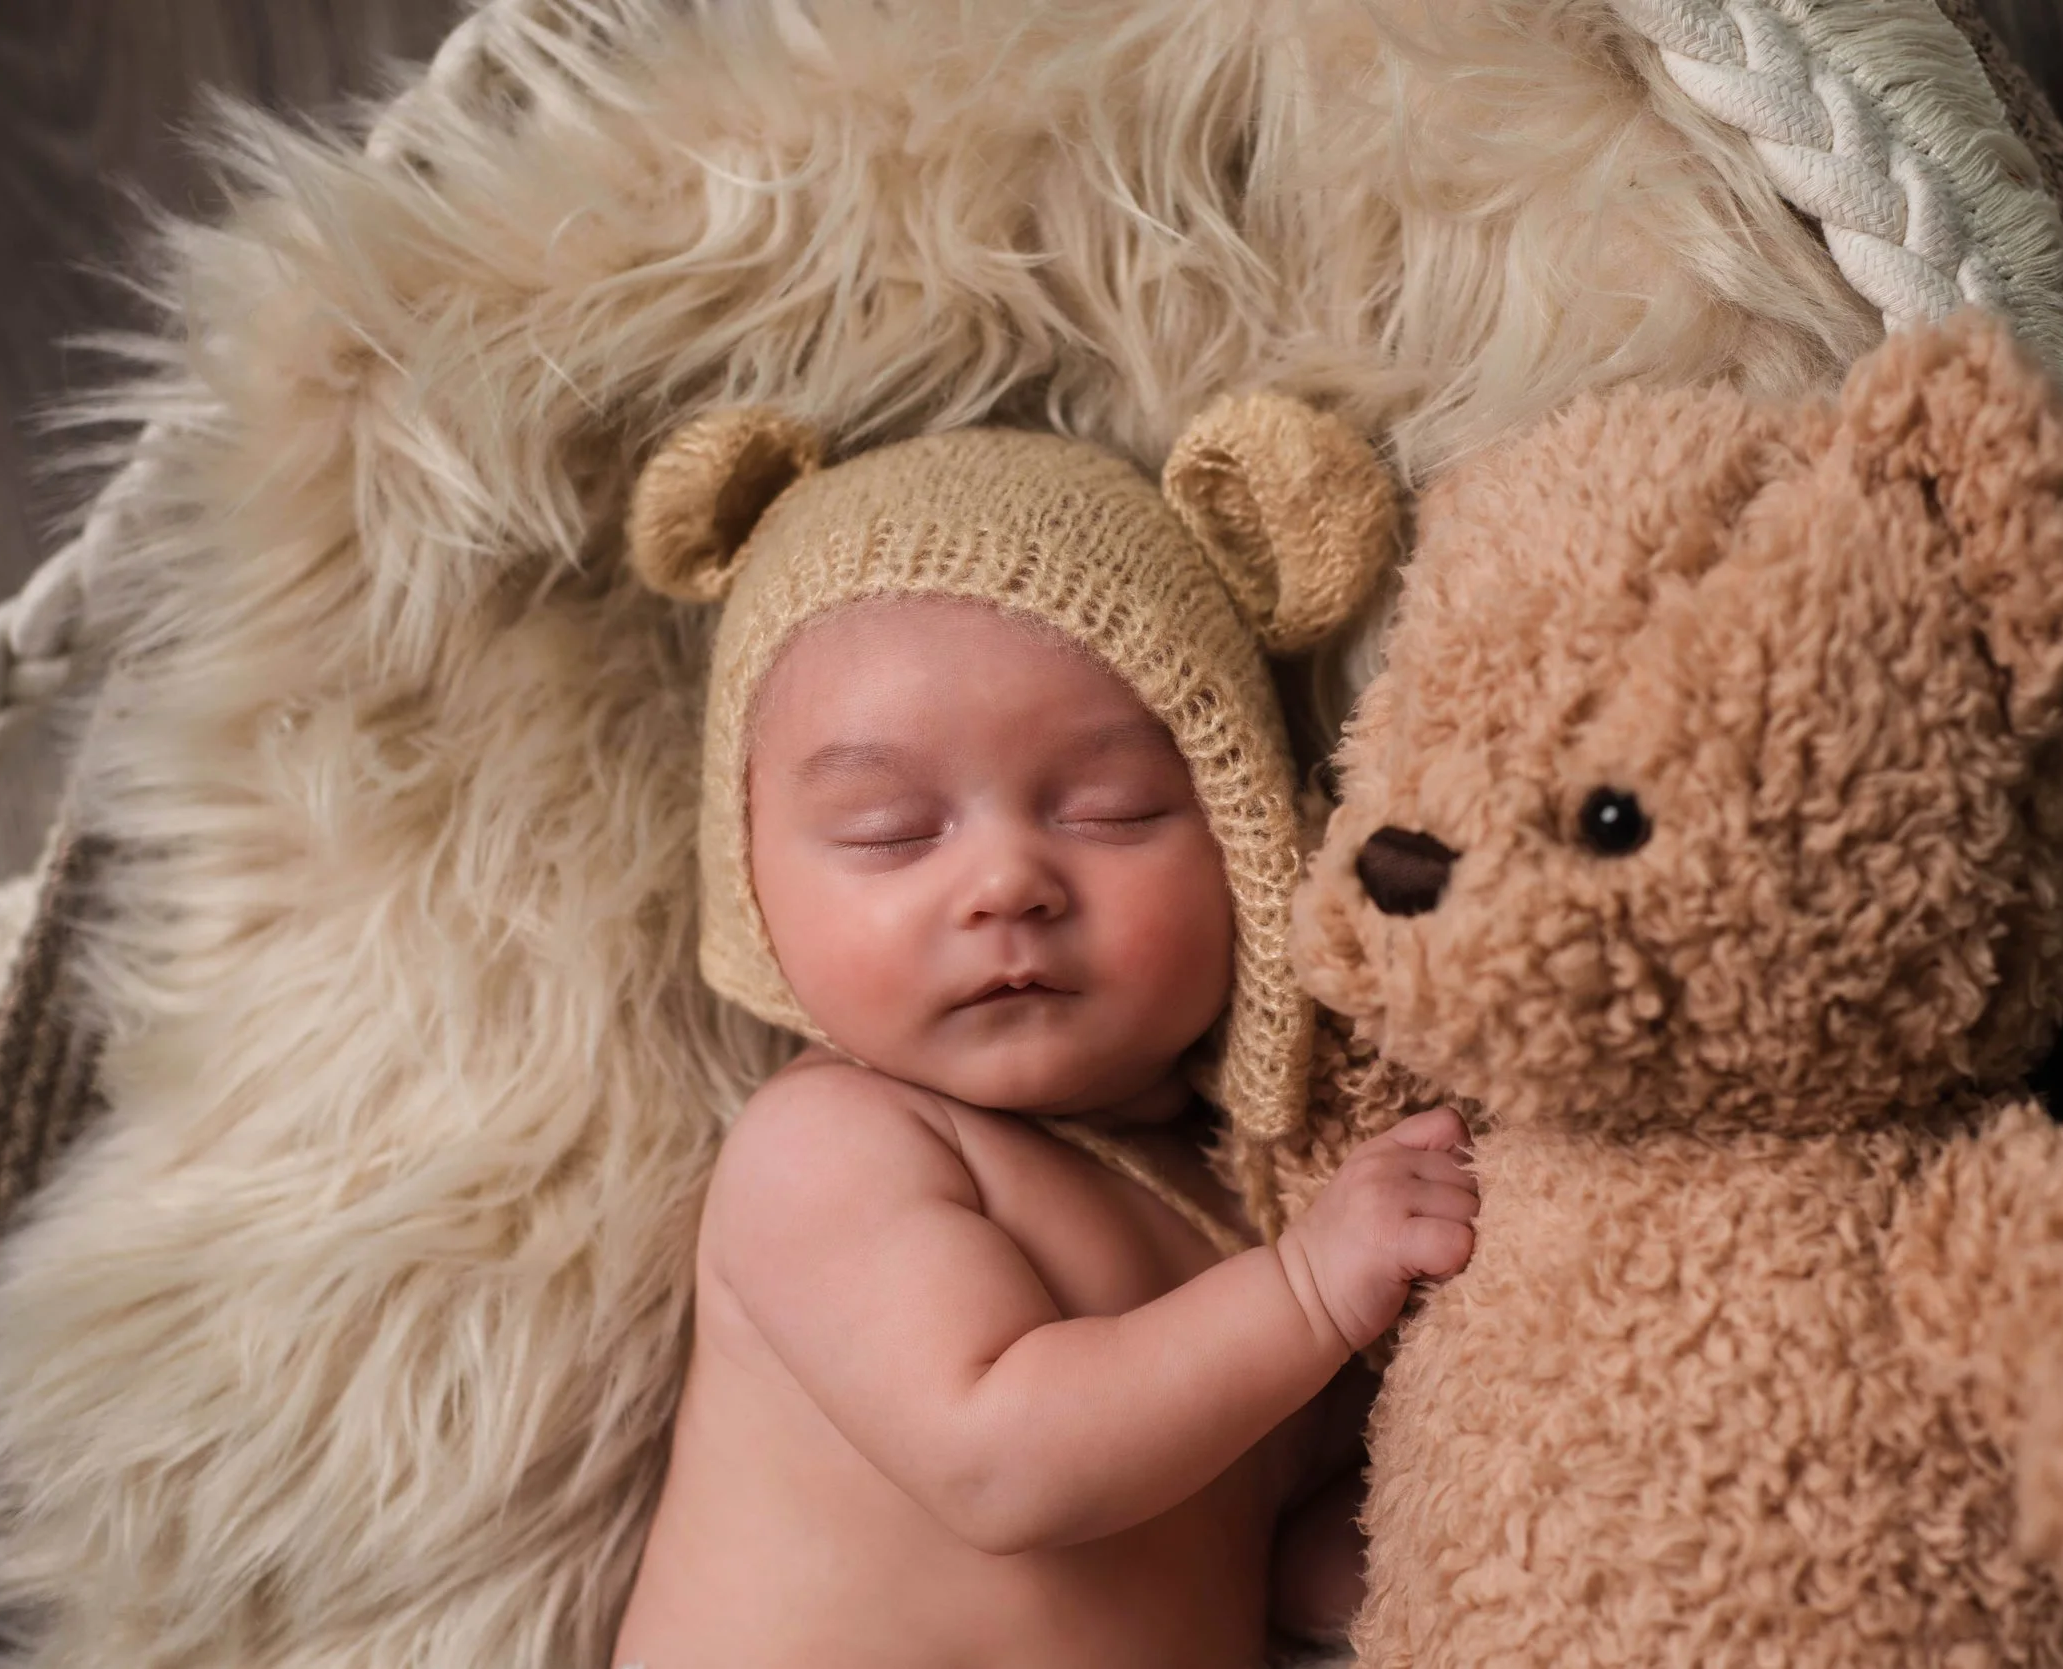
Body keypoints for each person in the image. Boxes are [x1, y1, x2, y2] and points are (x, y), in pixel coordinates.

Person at [609, 411, 1477, 1669]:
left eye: (1108, 810)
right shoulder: (834, 1146)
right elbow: (1001, 1463)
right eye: (891, 829)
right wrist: (1307, 1294)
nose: (1005, 883)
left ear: (1243, 840)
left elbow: (1260, 1549)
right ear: (750, 880)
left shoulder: (1237, 1203)